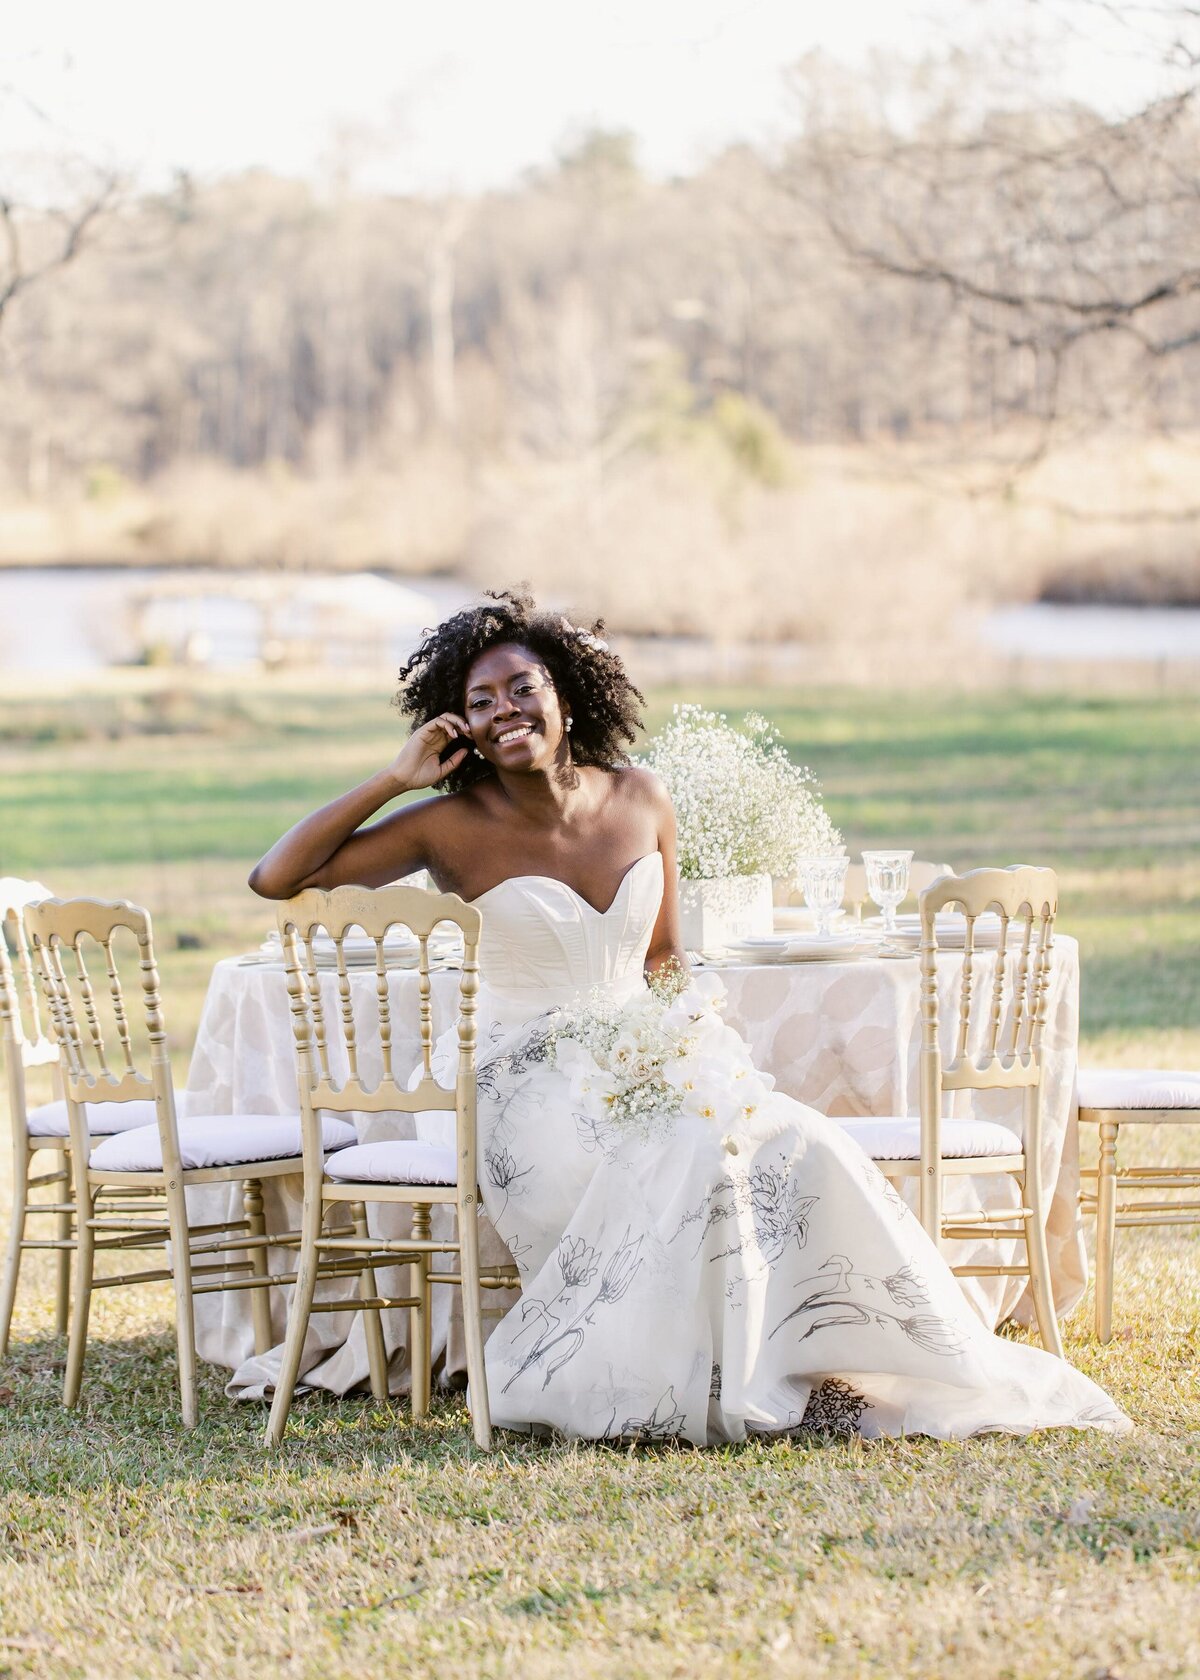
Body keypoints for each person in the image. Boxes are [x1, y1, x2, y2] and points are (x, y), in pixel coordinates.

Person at [250, 590, 1129, 1443]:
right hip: (519, 1074)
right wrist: (393, 778)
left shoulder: (642, 798)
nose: (504, 709)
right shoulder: (444, 825)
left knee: (792, 1142)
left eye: (523, 687)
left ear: (565, 694)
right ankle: (685, 1384)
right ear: (458, 728)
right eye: (478, 702)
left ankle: (809, 1365)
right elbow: (277, 878)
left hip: (648, 1048)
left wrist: (686, 1048)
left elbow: (664, 958)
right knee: (667, 1158)